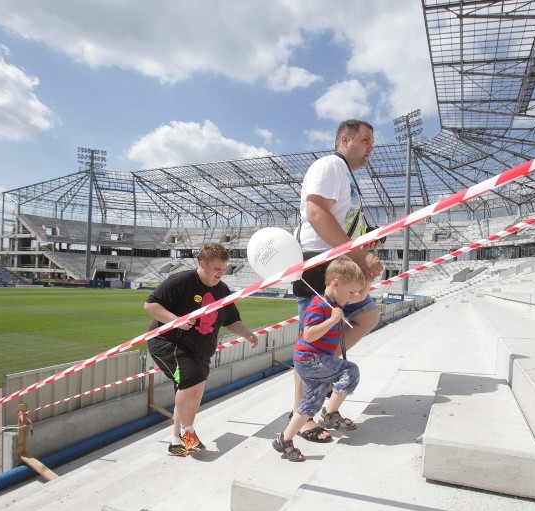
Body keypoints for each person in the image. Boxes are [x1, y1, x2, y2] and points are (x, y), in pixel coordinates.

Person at [290, 118, 383, 443]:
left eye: (372, 141)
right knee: (309, 345)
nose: (371, 146)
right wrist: (358, 257)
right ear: (345, 139)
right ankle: (300, 419)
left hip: (336, 263)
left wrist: (365, 253)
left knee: (368, 314)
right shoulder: (330, 165)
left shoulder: (344, 175)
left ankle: (326, 382)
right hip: (318, 265)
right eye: (365, 139)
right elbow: (316, 214)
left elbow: (342, 225)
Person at [144, 243, 258, 457]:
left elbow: (232, 320)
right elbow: (150, 305)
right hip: (168, 342)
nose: (220, 273)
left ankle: (176, 442)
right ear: (202, 264)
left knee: (189, 392)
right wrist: (175, 320)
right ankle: (189, 433)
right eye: (216, 269)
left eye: (223, 269)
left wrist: (247, 333)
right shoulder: (180, 281)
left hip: (200, 349)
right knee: (191, 382)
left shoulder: (222, 290)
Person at [274, 257, 364, 462]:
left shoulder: (332, 304)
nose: (352, 298)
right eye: (351, 292)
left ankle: (284, 440)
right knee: (350, 371)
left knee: (310, 405)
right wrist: (333, 320)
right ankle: (331, 414)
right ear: (336, 283)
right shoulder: (318, 305)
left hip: (313, 360)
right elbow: (309, 335)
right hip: (309, 360)